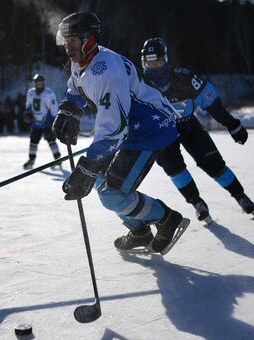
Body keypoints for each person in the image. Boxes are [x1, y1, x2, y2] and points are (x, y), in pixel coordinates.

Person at [52, 12, 189, 254]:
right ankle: (140, 231)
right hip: (129, 127)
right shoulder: (81, 58)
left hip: (150, 129)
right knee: (104, 182)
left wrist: (88, 167)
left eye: (71, 40)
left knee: (112, 195)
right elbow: (76, 85)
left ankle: (168, 219)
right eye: (65, 41)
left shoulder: (107, 72)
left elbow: (113, 129)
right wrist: (70, 110)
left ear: (88, 39)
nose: (67, 47)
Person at [140, 37, 254, 223]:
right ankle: (197, 203)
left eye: (158, 61)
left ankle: (240, 196)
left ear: (166, 60)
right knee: (174, 168)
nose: (154, 66)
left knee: (213, 163)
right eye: (149, 62)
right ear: (143, 62)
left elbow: (211, 102)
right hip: (161, 135)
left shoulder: (183, 77)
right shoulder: (138, 84)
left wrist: (232, 124)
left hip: (189, 127)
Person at [23, 74, 61, 169]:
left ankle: (58, 158)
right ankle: (31, 159)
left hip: (47, 121)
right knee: (33, 141)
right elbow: (28, 105)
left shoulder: (49, 93)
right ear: (35, 83)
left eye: (40, 82)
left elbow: (54, 108)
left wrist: (51, 121)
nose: (39, 84)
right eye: (37, 82)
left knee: (51, 140)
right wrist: (27, 114)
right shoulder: (30, 93)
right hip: (36, 122)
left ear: (44, 82)